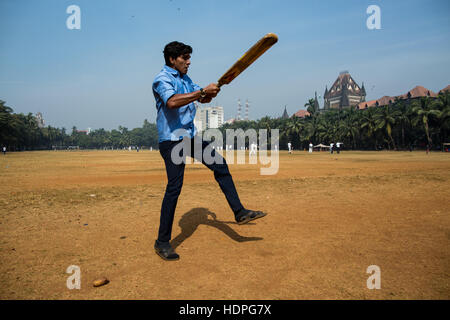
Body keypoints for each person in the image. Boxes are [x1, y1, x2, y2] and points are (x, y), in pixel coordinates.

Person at [152, 41, 266, 261]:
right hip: (171, 140)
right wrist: (202, 91)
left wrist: (210, 92)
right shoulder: (162, 79)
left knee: (220, 165)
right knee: (174, 187)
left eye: (189, 57)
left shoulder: (186, 80)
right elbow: (173, 102)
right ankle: (162, 242)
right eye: (184, 58)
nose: (188, 61)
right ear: (172, 59)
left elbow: (202, 98)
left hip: (189, 137)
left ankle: (239, 212)